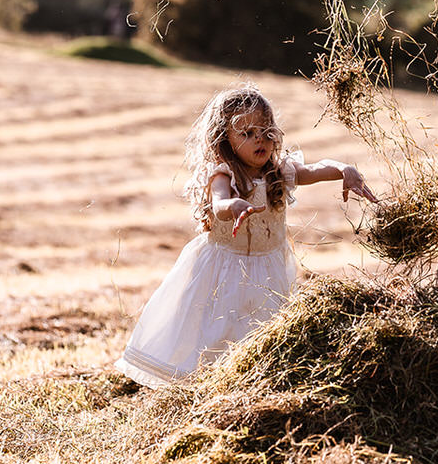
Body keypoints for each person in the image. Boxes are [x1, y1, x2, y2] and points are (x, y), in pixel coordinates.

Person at [115, 83, 377, 387]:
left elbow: (317, 169)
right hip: (225, 268)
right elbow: (219, 203)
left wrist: (344, 169)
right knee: (218, 329)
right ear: (225, 138)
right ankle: (210, 386)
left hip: (268, 269)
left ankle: (253, 383)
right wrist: (234, 205)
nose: (260, 140)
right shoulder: (224, 173)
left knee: (262, 331)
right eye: (247, 133)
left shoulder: (279, 171)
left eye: (266, 132)